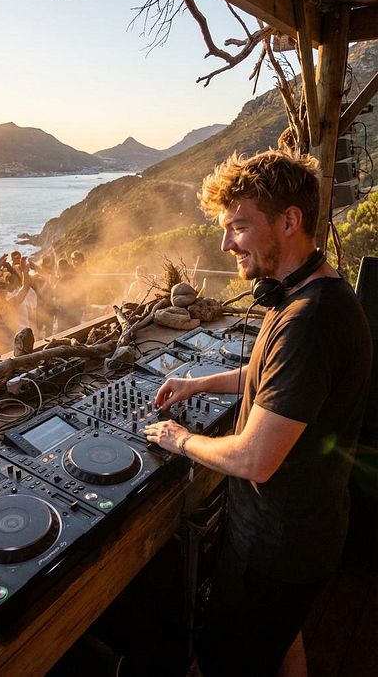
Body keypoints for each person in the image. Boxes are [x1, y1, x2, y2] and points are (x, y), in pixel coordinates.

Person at [143, 149, 372, 677]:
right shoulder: (308, 294)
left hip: (277, 550)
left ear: (289, 221)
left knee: (230, 663)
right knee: (283, 643)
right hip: (305, 536)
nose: (227, 244)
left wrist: (179, 439)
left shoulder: (309, 322)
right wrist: (200, 382)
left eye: (239, 226)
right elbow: (274, 378)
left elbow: (255, 460)